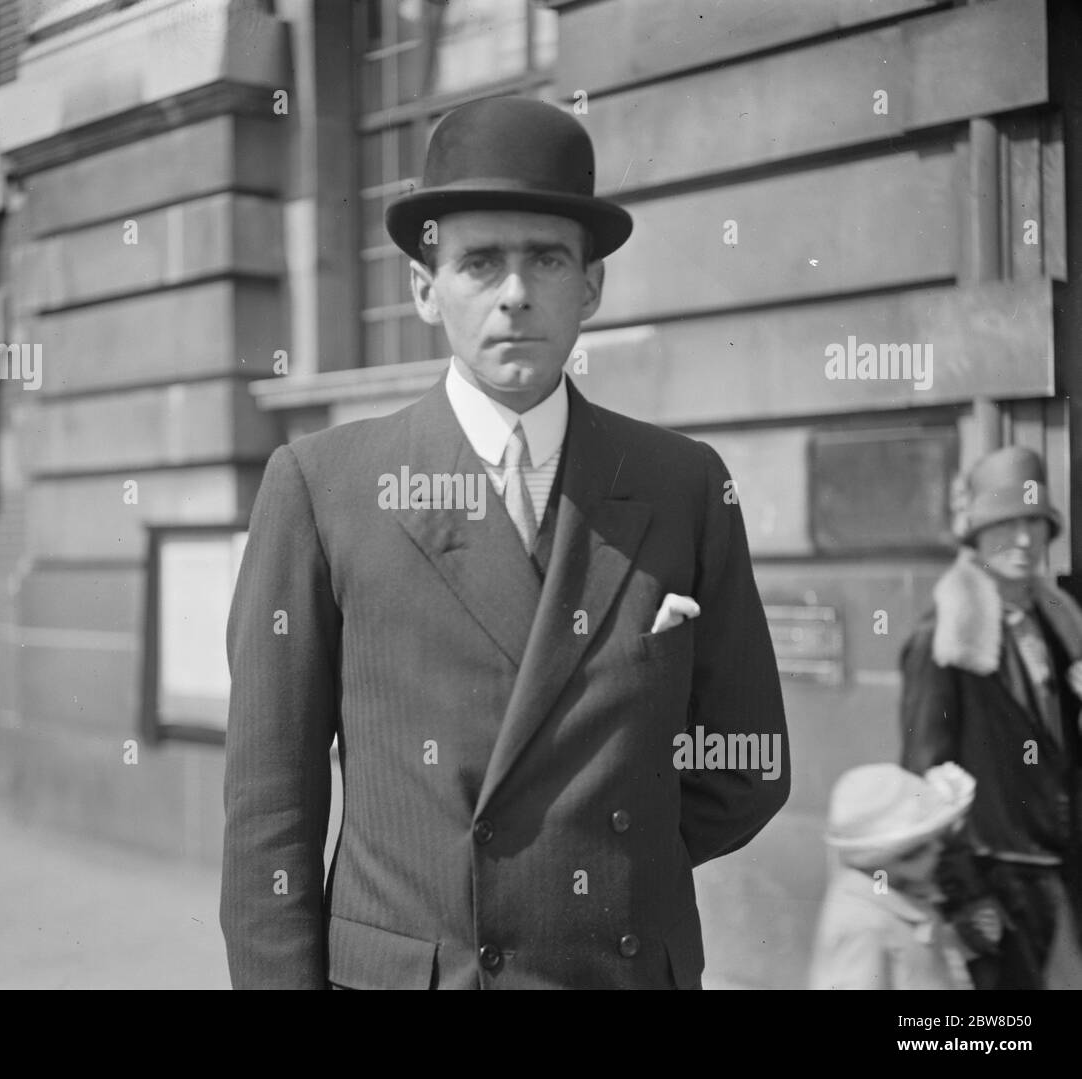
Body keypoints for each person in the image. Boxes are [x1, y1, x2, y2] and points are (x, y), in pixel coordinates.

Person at [219, 96, 790, 989]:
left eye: (546, 259)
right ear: (423, 287)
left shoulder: (682, 484)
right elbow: (269, 816)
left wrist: (609, 858)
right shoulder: (323, 486)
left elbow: (749, 761)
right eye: (480, 261)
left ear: (590, 286)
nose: (515, 291)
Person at [900, 445, 1082, 989]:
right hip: (996, 887)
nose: (1025, 541)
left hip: (1062, 878)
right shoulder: (943, 642)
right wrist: (965, 898)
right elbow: (926, 780)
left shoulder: (1060, 628)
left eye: (1035, 523)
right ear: (975, 536)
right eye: (1006, 525)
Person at [809, 762, 977, 990]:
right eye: (924, 846)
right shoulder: (863, 925)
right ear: (892, 858)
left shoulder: (896, 891)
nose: (938, 848)